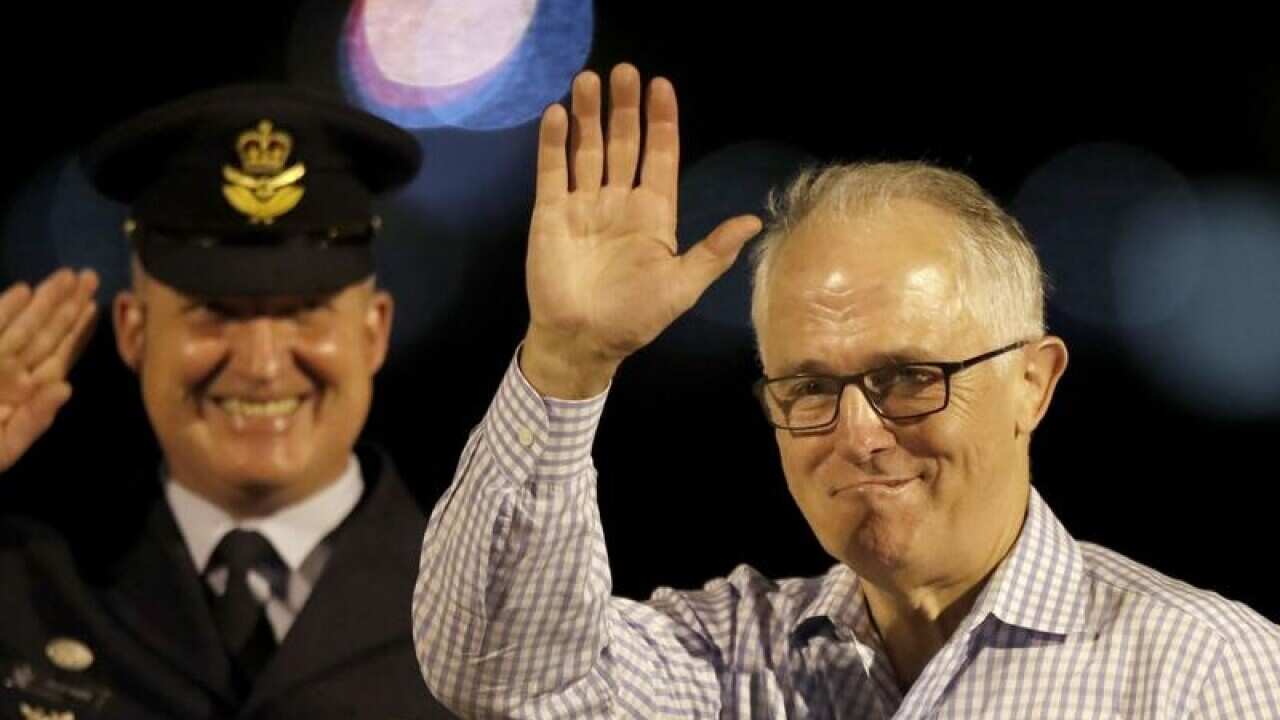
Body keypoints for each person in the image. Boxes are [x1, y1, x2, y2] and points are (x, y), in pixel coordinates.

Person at [412, 63, 1280, 718]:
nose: (858, 434)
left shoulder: (1198, 671)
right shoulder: (728, 666)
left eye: (909, 378)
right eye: (809, 388)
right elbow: (498, 676)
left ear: (1033, 384)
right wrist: (566, 363)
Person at [0, 85, 456, 719]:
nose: (263, 366)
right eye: (214, 312)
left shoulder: (493, 609)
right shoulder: (26, 585)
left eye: (304, 311)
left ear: (373, 332)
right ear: (134, 331)